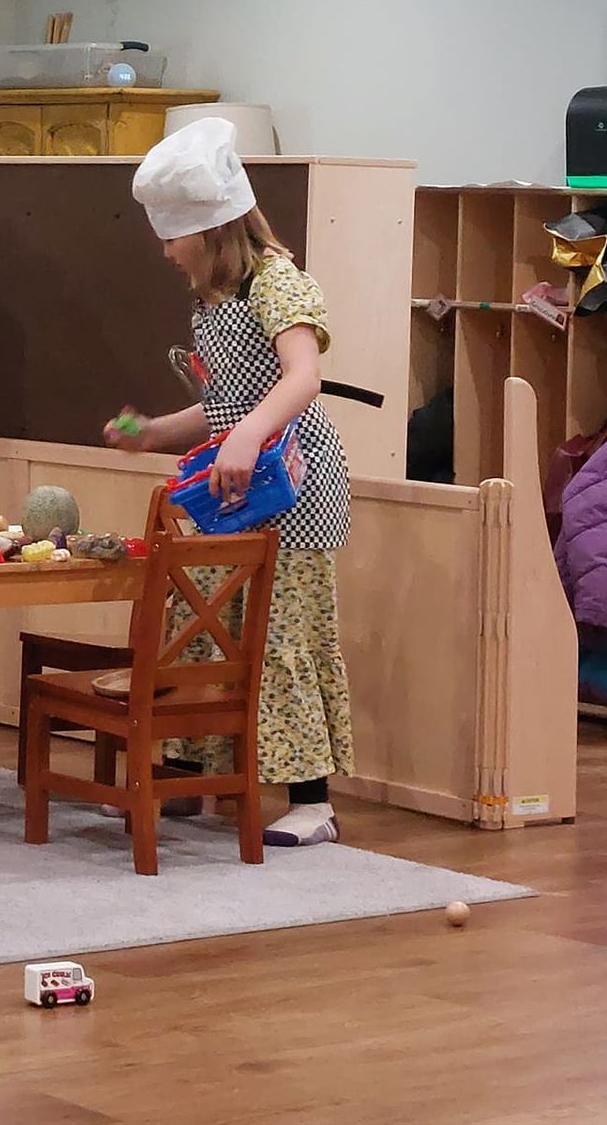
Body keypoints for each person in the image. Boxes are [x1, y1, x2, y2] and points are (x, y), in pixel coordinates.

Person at [106, 117, 354, 847]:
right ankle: (194, 774)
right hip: (233, 490)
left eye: (173, 234)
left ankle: (313, 799)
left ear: (213, 230)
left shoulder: (278, 282)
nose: (164, 250)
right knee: (207, 627)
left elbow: (300, 376)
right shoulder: (210, 301)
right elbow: (226, 407)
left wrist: (249, 434)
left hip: (293, 489)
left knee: (282, 636)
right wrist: (154, 433)